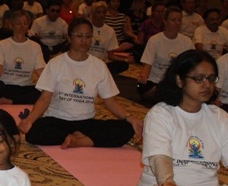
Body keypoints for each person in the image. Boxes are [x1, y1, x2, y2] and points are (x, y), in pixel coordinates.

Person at [125, 50, 228, 186]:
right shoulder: (161, 114)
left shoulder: (220, 117)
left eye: (211, 79)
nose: (207, 85)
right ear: (179, 80)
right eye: (199, 78)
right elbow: (160, 158)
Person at [19, 18, 142, 148]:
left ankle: (79, 141)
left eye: (88, 36)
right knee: (34, 132)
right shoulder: (56, 63)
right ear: (69, 37)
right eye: (79, 36)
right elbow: (45, 98)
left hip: (86, 122)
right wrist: (30, 120)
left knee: (126, 128)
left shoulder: (99, 66)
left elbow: (111, 101)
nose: (84, 40)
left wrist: (130, 118)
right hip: (58, 120)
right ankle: (82, 138)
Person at [0, 11, 45, 105]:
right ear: (12, 25)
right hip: (6, 85)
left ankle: (12, 101)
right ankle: (19, 99)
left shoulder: (35, 47)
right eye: (18, 23)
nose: (22, 26)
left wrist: (49, 83)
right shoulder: (2, 44)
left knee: (41, 92)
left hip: (25, 87)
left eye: (25, 23)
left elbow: (39, 69)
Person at [138, 6, 194, 101]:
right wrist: (143, 77)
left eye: (179, 20)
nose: (177, 23)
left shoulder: (187, 41)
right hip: (156, 81)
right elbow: (147, 64)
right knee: (142, 87)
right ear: (165, 21)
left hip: (176, 81)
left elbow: (192, 64)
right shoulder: (154, 40)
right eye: (173, 20)